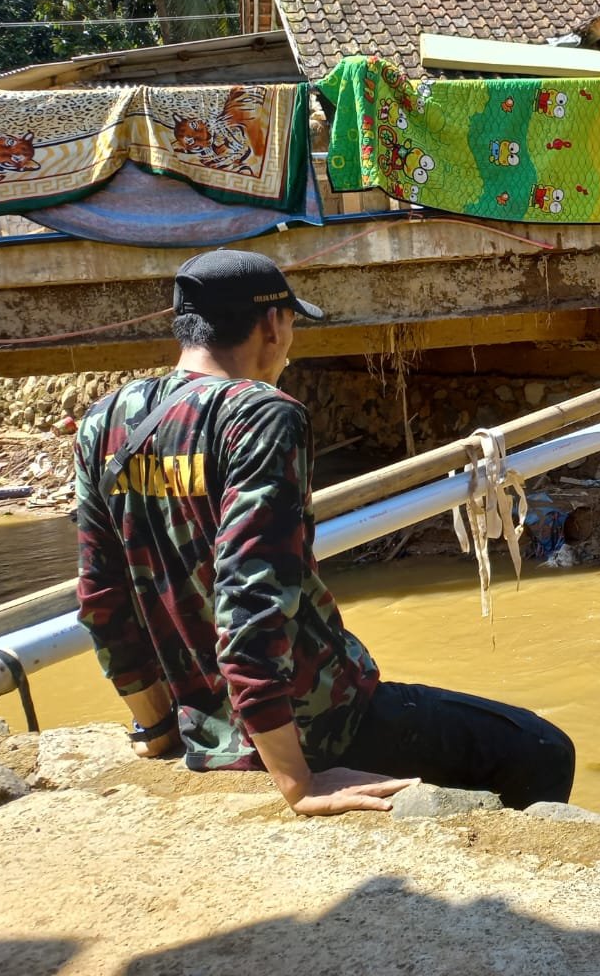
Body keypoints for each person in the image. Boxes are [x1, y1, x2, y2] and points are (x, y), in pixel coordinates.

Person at [73, 249, 574, 816]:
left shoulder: (106, 419)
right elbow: (252, 596)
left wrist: (158, 725)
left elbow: (101, 596)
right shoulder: (259, 414)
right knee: (540, 747)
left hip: (201, 727)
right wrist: (297, 780)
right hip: (319, 722)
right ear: (272, 324)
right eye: (290, 324)